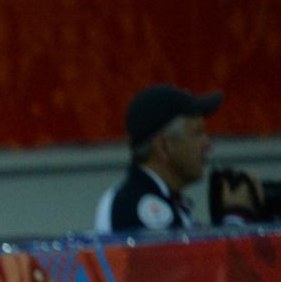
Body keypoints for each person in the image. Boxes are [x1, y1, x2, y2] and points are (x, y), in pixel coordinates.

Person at [95, 84, 258, 234]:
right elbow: (184, 265)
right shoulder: (136, 206)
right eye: (197, 133)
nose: (207, 145)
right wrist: (236, 218)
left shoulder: (159, 200)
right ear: (163, 147)